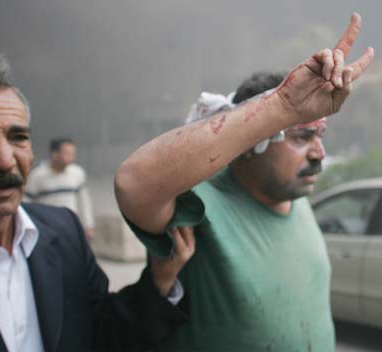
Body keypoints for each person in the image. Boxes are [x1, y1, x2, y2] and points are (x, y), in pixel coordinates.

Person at [114, 13, 374, 351]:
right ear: (252, 143)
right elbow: (132, 185)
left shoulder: (296, 197)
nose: (319, 154)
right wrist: (281, 107)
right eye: (301, 137)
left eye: (320, 135)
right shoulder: (201, 204)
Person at [0, 54, 195, 352]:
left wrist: (159, 279)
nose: (4, 161)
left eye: (18, 137)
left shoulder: (63, 232)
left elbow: (103, 332)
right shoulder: (42, 180)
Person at [26, 137, 95, 240]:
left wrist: (88, 225)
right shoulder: (37, 176)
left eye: (73, 153)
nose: (72, 157)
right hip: (47, 229)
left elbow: (84, 202)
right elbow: (27, 203)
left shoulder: (77, 173)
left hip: (72, 227)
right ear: (55, 154)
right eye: (67, 153)